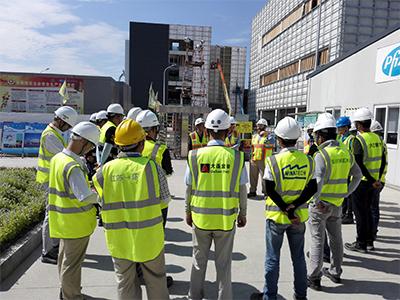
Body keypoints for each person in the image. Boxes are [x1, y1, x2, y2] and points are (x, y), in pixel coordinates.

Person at [93, 119, 170, 300]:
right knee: (156, 280)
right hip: (149, 238)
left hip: (118, 239)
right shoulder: (152, 167)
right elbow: (165, 200)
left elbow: (100, 201)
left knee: (125, 282)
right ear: (142, 144)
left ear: (118, 145)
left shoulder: (103, 172)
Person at [185, 109, 248, 300]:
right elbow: (242, 189)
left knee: (198, 262)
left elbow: (189, 187)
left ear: (206, 130)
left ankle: (194, 296)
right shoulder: (236, 158)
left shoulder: (195, 156)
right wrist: (242, 213)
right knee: (223, 264)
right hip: (225, 220)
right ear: (228, 131)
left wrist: (187, 211)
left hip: (200, 218)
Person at [251, 117, 317, 300]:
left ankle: (269, 296)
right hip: (298, 218)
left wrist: (286, 208)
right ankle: (301, 296)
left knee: (272, 259)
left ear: (279, 139)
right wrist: (294, 207)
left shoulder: (273, 161)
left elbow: (268, 189)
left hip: (276, 218)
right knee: (299, 259)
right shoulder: (308, 161)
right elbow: (312, 188)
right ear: (296, 139)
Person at [307, 113, 362, 291]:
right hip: (337, 204)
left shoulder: (321, 155)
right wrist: (346, 193)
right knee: (336, 239)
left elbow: (317, 182)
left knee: (317, 239)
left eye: (316, 135)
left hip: (321, 206)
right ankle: (336, 271)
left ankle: (314, 277)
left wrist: (316, 200)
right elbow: (358, 175)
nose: (315, 138)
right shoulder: (345, 152)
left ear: (321, 135)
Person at [48, 121, 100, 300]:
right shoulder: (73, 167)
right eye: (90, 146)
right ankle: (72, 296)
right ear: (83, 142)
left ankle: (66, 291)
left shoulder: (58, 159)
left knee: (64, 260)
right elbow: (84, 196)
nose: (89, 151)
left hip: (61, 221)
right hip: (76, 224)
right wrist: (100, 196)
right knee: (72, 264)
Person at [136, 109, 174, 287]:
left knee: (137, 237)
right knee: (156, 241)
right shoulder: (161, 149)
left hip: (134, 200)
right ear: (151, 130)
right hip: (157, 203)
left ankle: (137, 271)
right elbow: (168, 171)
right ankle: (154, 277)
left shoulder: (128, 145)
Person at [36, 106, 78, 265]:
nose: (68, 128)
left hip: (53, 178)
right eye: (68, 125)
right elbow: (64, 156)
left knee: (54, 212)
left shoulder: (55, 134)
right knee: (50, 213)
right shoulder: (49, 136)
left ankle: (54, 247)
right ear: (61, 121)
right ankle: (48, 251)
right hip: (49, 179)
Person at [345, 107, 386, 253]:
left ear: (358, 124)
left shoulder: (359, 140)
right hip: (374, 182)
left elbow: (358, 163)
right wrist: (377, 179)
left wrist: (370, 179)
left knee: (360, 213)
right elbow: (383, 160)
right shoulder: (378, 138)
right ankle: (369, 242)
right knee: (369, 211)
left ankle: (361, 243)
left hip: (361, 182)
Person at [370, 120, 388, 240]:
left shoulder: (377, 144)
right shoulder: (382, 143)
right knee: (374, 208)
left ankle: (370, 234)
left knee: (371, 209)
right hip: (380, 180)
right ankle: (373, 232)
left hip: (375, 180)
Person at [336, 116, 355, 224]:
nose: (339, 130)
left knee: (349, 194)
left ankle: (349, 214)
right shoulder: (339, 138)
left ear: (346, 128)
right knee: (342, 192)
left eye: (340, 128)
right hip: (341, 169)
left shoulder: (351, 139)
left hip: (348, 170)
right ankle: (343, 213)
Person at [248, 118, 274, 197]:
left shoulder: (269, 136)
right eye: (258, 125)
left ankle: (266, 192)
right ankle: (252, 191)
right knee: (252, 177)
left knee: (264, 178)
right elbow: (251, 147)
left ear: (265, 126)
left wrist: (267, 135)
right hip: (254, 159)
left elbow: (271, 145)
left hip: (264, 160)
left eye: (261, 125)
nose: (259, 127)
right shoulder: (255, 136)